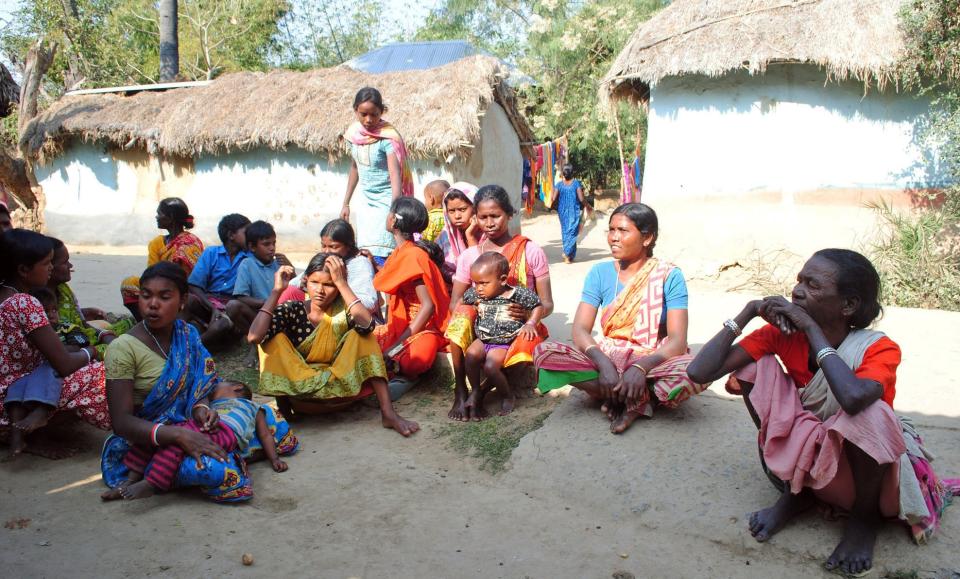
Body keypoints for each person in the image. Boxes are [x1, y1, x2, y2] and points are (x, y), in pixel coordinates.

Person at [685, 249, 960, 576]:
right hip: (811, 464)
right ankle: (795, 492)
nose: (797, 290)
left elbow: (853, 399)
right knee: (753, 367)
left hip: (868, 484)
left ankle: (862, 521)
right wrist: (748, 312)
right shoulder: (781, 335)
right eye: (799, 280)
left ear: (848, 306)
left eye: (813, 285)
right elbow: (699, 373)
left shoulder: (879, 348)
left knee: (871, 412)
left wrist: (811, 329)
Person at [534, 203, 706, 433]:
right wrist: (605, 364)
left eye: (623, 231)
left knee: (700, 370)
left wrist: (640, 368)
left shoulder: (669, 276)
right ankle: (635, 397)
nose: (613, 237)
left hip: (653, 360)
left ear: (647, 238)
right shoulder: (599, 273)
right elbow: (580, 330)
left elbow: (677, 340)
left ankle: (622, 395)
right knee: (543, 353)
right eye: (611, 230)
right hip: (609, 355)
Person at [101, 262, 251, 503]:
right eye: (146, 295)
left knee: (240, 428)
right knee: (218, 471)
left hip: (188, 428)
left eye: (164, 297)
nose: (152, 304)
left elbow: (198, 385)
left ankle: (172, 472)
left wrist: (202, 409)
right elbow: (121, 422)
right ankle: (146, 478)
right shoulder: (123, 348)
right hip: (145, 443)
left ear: (183, 301)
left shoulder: (187, 334)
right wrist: (178, 436)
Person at [249, 253, 419, 436]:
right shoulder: (292, 310)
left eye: (329, 284)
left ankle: (388, 413)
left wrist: (342, 284)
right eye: (315, 282)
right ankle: (285, 411)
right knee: (272, 339)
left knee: (364, 338)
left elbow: (368, 325)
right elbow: (254, 337)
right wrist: (276, 291)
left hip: (339, 389)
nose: (320, 291)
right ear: (305, 282)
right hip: (300, 393)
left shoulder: (343, 311)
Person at [446, 185, 554, 421]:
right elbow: (456, 302)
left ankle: (481, 392)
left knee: (498, 358)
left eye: (496, 216)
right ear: (475, 218)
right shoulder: (469, 256)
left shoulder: (530, 251)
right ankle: (461, 389)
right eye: (483, 217)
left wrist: (526, 315)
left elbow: (546, 303)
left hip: (519, 325)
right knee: (458, 319)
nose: (489, 223)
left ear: (509, 214)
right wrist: (477, 313)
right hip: (483, 327)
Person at [0, 229, 110, 460]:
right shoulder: (24, 303)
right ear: (23, 269)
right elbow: (64, 364)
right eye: (46, 263)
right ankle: (36, 429)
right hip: (12, 403)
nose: (50, 268)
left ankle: (27, 433)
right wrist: (92, 351)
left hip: (9, 397)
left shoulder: (6, 296)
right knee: (106, 370)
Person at [373, 197, 451, 386]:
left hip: (423, 328)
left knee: (417, 359)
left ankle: (399, 368)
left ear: (393, 221)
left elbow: (428, 306)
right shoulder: (402, 252)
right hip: (401, 326)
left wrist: (397, 345)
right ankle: (396, 368)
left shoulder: (413, 255)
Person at [462, 252, 543, 417]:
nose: (478, 288)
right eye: (475, 283)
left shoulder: (518, 294)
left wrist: (530, 323)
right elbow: (462, 301)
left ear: (503, 279)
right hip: (483, 338)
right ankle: (476, 391)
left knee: (491, 367)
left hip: (504, 342)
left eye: (484, 283)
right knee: (470, 356)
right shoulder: (477, 294)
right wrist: (474, 306)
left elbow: (538, 306)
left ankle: (507, 395)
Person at [340, 87, 414, 265]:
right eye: (363, 114)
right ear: (355, 110)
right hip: (366, 202)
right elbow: (355, 169)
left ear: (382, 111)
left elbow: (395, 176)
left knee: (384, 251)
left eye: (374, 114)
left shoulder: (388, 137)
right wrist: (346, 203)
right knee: (365, 252)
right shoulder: (353, 136)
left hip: (386, 201)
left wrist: (393, 210)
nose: (369, 120)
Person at [120, 197, 204, 319]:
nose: (156, 217)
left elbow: (186, 277)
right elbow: (150, 271)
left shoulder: (190, 243)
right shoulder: (157, 243)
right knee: (128, 285)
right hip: (158, 283)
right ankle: (145, 324)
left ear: (170, 217)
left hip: (182, 289)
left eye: (159, 213)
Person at [48, 237, 130, 359]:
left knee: (130, 323)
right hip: (77, 350)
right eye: (65, 262)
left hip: (86, 337)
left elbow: (83, 324)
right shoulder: (39, 302)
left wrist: (104, 334)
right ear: (49, 267)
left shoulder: (64, 290)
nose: (70, 265)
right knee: (124, 349)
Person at [277, 219, 378, 314]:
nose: (326, 251)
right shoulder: (323, 260)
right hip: (318, 312)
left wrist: (341, 285)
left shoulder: (359, 264)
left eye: (333, 247)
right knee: (289, 291)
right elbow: (294, 283)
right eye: (323, 246)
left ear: (348, 246)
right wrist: (305, 284)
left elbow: (369, 304)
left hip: (345, 317)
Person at [184, 213, 251, 346]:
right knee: (188, 300)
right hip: (208, 302)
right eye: (246, 232)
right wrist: (213, 308)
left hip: (231, 306)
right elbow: (194, 285)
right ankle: (170, 337)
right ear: (231, 235)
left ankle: (192, 351)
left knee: (221, 324)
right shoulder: (211, 253)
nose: (251, 237)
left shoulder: (250, 257)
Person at [225, 220, 286, 364]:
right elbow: (241, 297)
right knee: (233, 306)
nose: (272, 248)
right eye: (266, 244)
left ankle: (269, 343)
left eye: (273, 243)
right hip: (260, 315)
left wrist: (290, 269)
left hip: (282, 314)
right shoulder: (247, 264)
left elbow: (295, 289)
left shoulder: (279, 263)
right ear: (252, 247)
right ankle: (256, 344)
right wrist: (267, 303)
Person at [210, 380, 298, 472]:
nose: (212, 386)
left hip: (225, 435)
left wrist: (274, 459)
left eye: (217, 384)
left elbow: (265, 435)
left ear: (237, 387)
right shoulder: (207, 406)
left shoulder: (251, 406)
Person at [435, 182, 481, 284]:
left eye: (462, 209)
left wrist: (471, 236)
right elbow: (437, 265)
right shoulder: (445, 236)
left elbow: (480, 269)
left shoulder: (487, 234)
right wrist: (455, 279)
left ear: (475, 208)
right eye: (451, 211)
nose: (457, 216)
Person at [554, 163, 585, 263]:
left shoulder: (559, 185)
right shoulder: (576, 184)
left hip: (562, 211)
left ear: (563, 173)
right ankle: (567, 254)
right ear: (572, 173)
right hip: (573, 211)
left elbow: (553, 198)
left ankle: (571, 255)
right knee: (572, 232)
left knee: (566, 232)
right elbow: (580, 198)